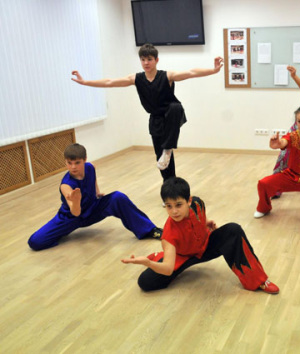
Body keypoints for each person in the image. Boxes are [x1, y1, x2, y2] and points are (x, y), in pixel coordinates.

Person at [71, 43, 224, 183]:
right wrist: (85, 82)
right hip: (155, 119)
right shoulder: (136, 79)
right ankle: (169, 186)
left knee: (175, 108)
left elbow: (191, 73)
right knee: (162, 160)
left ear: (156, 60)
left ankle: (168, 147)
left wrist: (213, 70)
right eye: (143, 59)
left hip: (171, 115)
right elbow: (110, 82)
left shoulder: (167, 76)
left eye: (149, 59)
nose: (146, 63)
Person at [121, 177, 279, 294]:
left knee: (233, 229)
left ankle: (259, 281)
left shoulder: (197, 203)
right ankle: (158, 257)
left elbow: (199, 216)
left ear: (189, 201)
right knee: (145, 282)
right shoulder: (169, 235)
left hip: (204, 246)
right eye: (169, 206)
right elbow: (168, 269)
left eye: (178, 205)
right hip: (183, 256)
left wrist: (206, 222)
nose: (174, 211)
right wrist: (148, 263)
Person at [28, 143, 162, 251]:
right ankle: (61, 232)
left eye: (77, 163)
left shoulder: (90, 167)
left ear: (84, 160)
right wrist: (75, 201)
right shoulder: (66, 186)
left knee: (118, 197)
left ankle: (149, 230)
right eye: (69, 163)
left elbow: (93, 175)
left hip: (92, 209)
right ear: (66, 162)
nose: (73, 167)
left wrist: (97, 192)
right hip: (71, 218)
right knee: (35, 242)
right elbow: (75, 213)